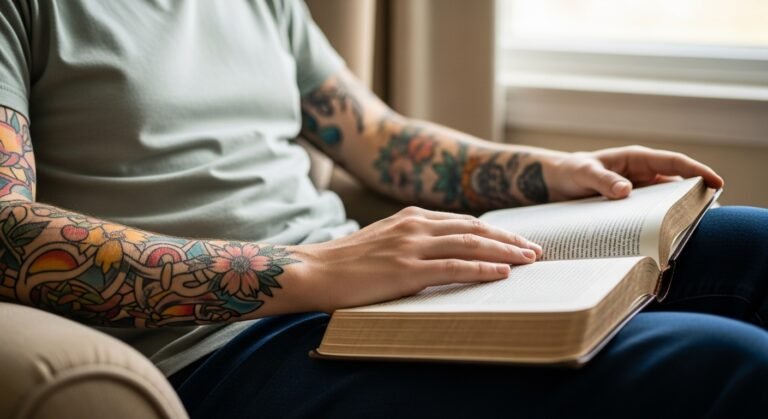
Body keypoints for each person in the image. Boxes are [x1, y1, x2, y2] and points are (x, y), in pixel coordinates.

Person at [0, 1, 766, 418]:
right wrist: (311, 268)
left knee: (756, 245)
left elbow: (376, 137)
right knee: (728, 365)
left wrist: (550, 170)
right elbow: (7, 232)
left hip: (362, 281)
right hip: (223, 347)